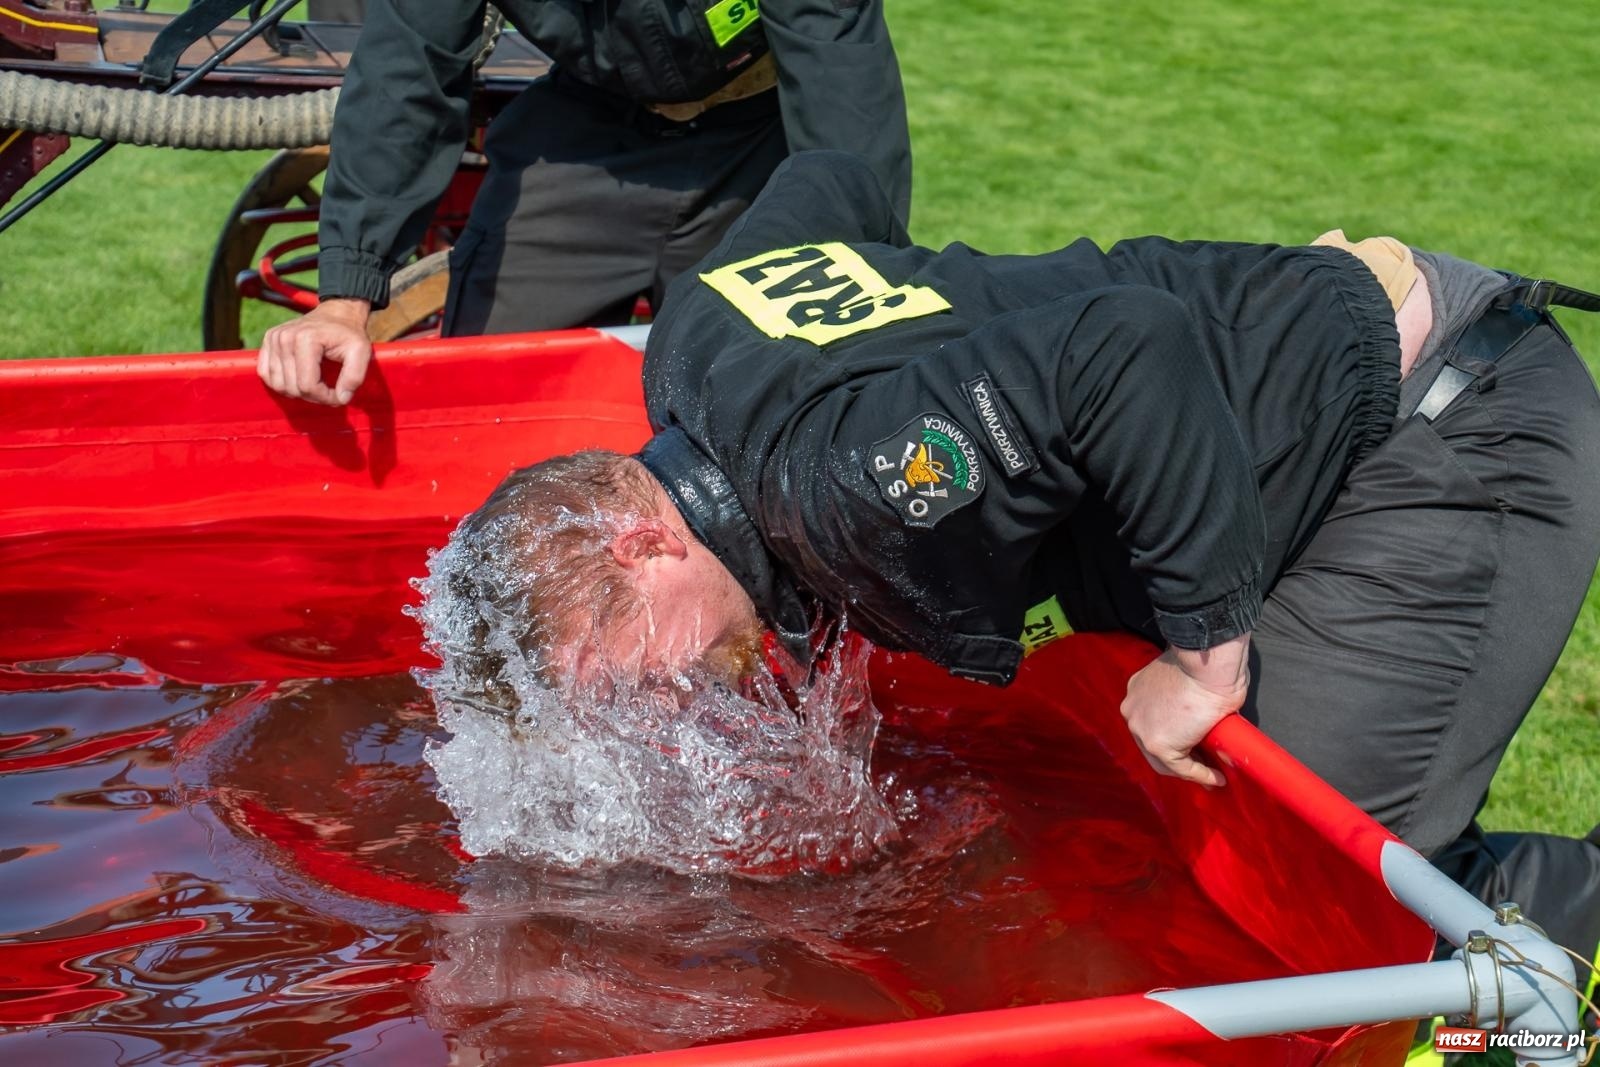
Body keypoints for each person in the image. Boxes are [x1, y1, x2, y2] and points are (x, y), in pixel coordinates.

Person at [426, 150, 1600, 970]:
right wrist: (929, 318)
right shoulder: (687, 352)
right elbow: (828, 176)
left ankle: (1562, 979)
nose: (665, 702)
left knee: (1321, 908)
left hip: (1449, 433)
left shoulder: (845, 487)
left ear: (642, 540)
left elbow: (1122, 349)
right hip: (1320, 400)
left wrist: (1203, 658)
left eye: (628, 675)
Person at [257, 0, 911, 407]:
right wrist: (344, 301)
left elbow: (841, 85)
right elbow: (407, 73)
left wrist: (864, 283)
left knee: (777, 401)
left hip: (757, 141)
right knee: (484, 398)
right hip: (589, 126)